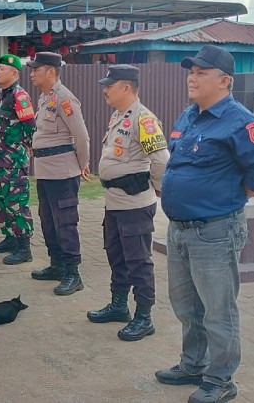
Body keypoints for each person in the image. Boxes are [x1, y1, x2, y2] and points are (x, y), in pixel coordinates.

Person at [156, 45, 254, 403]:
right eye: (190, 72)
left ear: (224, 81)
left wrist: (228, 197)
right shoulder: (190, 116)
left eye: (201, 73)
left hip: (215, 232)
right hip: (179, 229)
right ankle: (193, 364)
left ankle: (221, 379)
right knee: (186, 306)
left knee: (217, 310)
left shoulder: (241, 123)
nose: (192, 78)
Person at [86, 64, 169, 340]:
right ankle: (119, 305)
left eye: (109, 85)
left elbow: (160, 161)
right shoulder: (118, 116)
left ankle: (144, 316)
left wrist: (157, 189)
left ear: (126, 87)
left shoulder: (143, 119)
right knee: (116, 254)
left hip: (134, 204)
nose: (105, 89)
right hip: (115, 202)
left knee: (138, 261)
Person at [25, 52, 90, 295]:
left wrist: (82, 164)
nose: (32, 73)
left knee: (65, 223)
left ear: (51, 72)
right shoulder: (44, 98)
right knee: (49, 221)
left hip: (63, 173)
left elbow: (81, 136)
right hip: (45, 172)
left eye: (36, 69)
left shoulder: (64, 99)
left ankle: (73, 273)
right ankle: (57, 264)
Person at [0, 54, 35, 265]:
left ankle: (24, 248)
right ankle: (9, 238)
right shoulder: (0, 95)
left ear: (15, 73)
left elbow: (30, 127)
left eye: (2, 69)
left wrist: (23, 150)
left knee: (17, 203)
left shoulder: (20, 96)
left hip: (14, 162)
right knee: (1, 200)